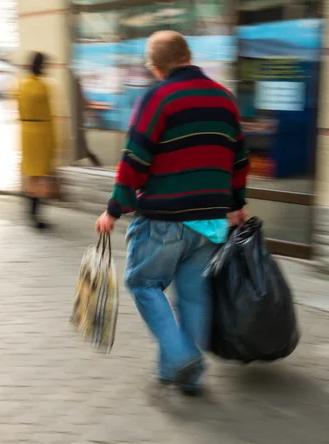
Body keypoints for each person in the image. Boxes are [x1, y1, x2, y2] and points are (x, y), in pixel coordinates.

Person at [95, 31, 249, 396]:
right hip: (212, 220)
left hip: (166, 218)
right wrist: (237, 204)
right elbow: (239, 159)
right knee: (194, 295)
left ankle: (181, 358)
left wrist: (114, 209)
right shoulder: (225, 99)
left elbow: (135, 157)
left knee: (143, 283)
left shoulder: (158, 96)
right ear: (189, 55)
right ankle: (185, 375)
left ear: (156, 66)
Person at [16, 52, 56, 229]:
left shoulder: (21, 85)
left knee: (30, 173)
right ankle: (35, 215)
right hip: (41, 133)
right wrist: (54, 142)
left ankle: (30, 210)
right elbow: (48, 114)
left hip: (26, 133)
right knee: (40, 176)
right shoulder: (44, 86)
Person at [70, 68, 102, 167]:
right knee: (83, 148)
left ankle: (97, 164)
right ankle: (97, 164)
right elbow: (83, 103)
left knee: (82, 148)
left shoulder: (72, 85)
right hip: (77, 122)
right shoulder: (75, 84)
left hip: (76, 123)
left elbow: (82, 103)